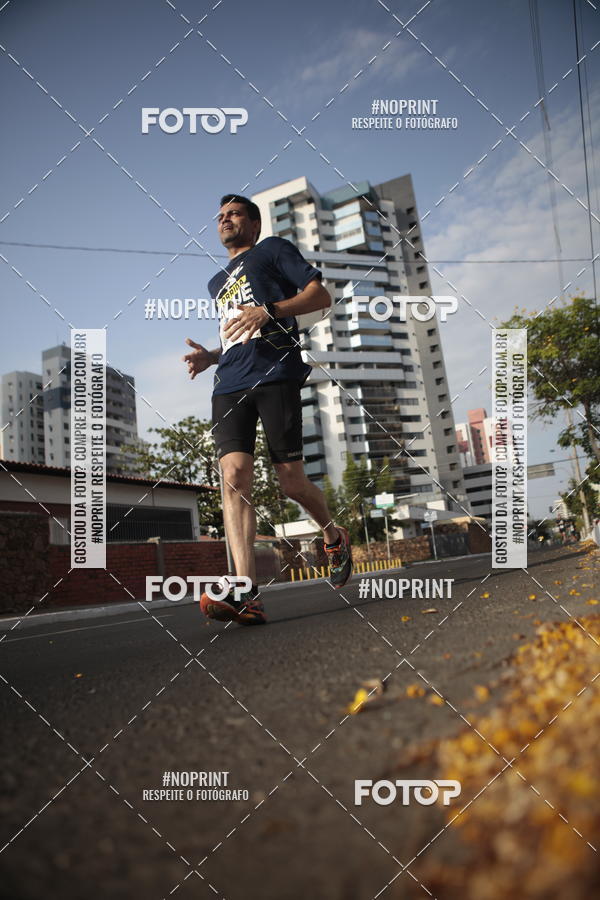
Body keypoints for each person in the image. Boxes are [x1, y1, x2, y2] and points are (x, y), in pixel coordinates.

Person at [183, 194, 353, 625]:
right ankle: (245, 592)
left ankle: (332, 536)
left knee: (291, 482)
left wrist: (269, 310)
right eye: (219, 216)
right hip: (230, 383)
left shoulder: (272, 250)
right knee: (234, 475)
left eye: (234, 214)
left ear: (253, 223)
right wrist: (213, 357)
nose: (224, 220)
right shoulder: (215, 281)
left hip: (277, 373)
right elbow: (241, 334)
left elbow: (320, 295)